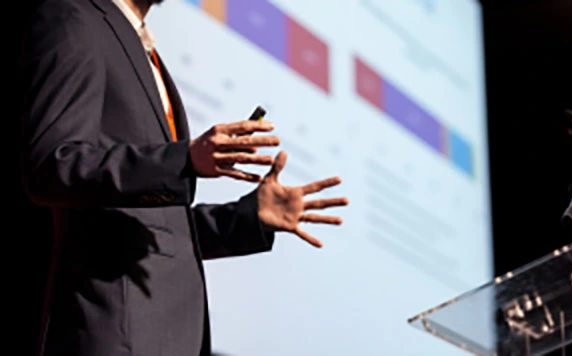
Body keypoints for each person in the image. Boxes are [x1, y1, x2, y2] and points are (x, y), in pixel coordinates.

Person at [18, 0, 348, 355]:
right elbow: (52, 166)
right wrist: (183, 159)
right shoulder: (74, 18)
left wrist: (248, 217)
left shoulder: (144, 49)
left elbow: (158, 228)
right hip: (117, 330)